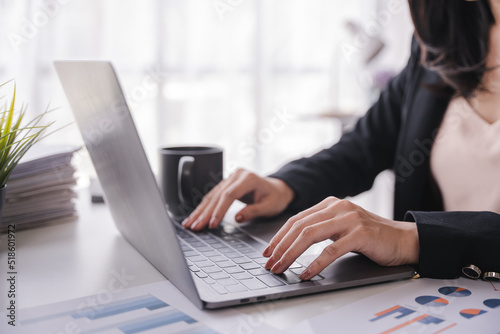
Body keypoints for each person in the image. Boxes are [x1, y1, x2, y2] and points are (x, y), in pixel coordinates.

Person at [183, 0, 500, 280]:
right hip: (438, 302)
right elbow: (364, 146)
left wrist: (412, 239)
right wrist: (284, 187)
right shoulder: (442, 44)